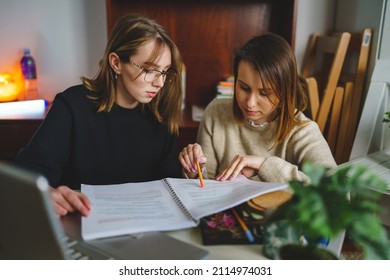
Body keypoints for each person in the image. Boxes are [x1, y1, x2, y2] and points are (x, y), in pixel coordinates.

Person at [14, 13, 184, 217]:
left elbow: (169, 185)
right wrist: (46, 193)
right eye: (150, 70)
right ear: (116, 63)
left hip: (144, 229)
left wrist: (188, 171)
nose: (160, 83)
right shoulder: (72, 106)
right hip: (78, 222)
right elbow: (27, 175)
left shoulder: (160, 114)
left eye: (164, 72)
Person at [179, 33, 336, 184]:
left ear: (284, 92)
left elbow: (336, 192)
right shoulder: (215, 112)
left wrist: (264, 166)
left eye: (264, 93)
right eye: (244, 87)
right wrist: (194, 172)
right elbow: (207, 185)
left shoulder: (302, 130)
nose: (250, 103)